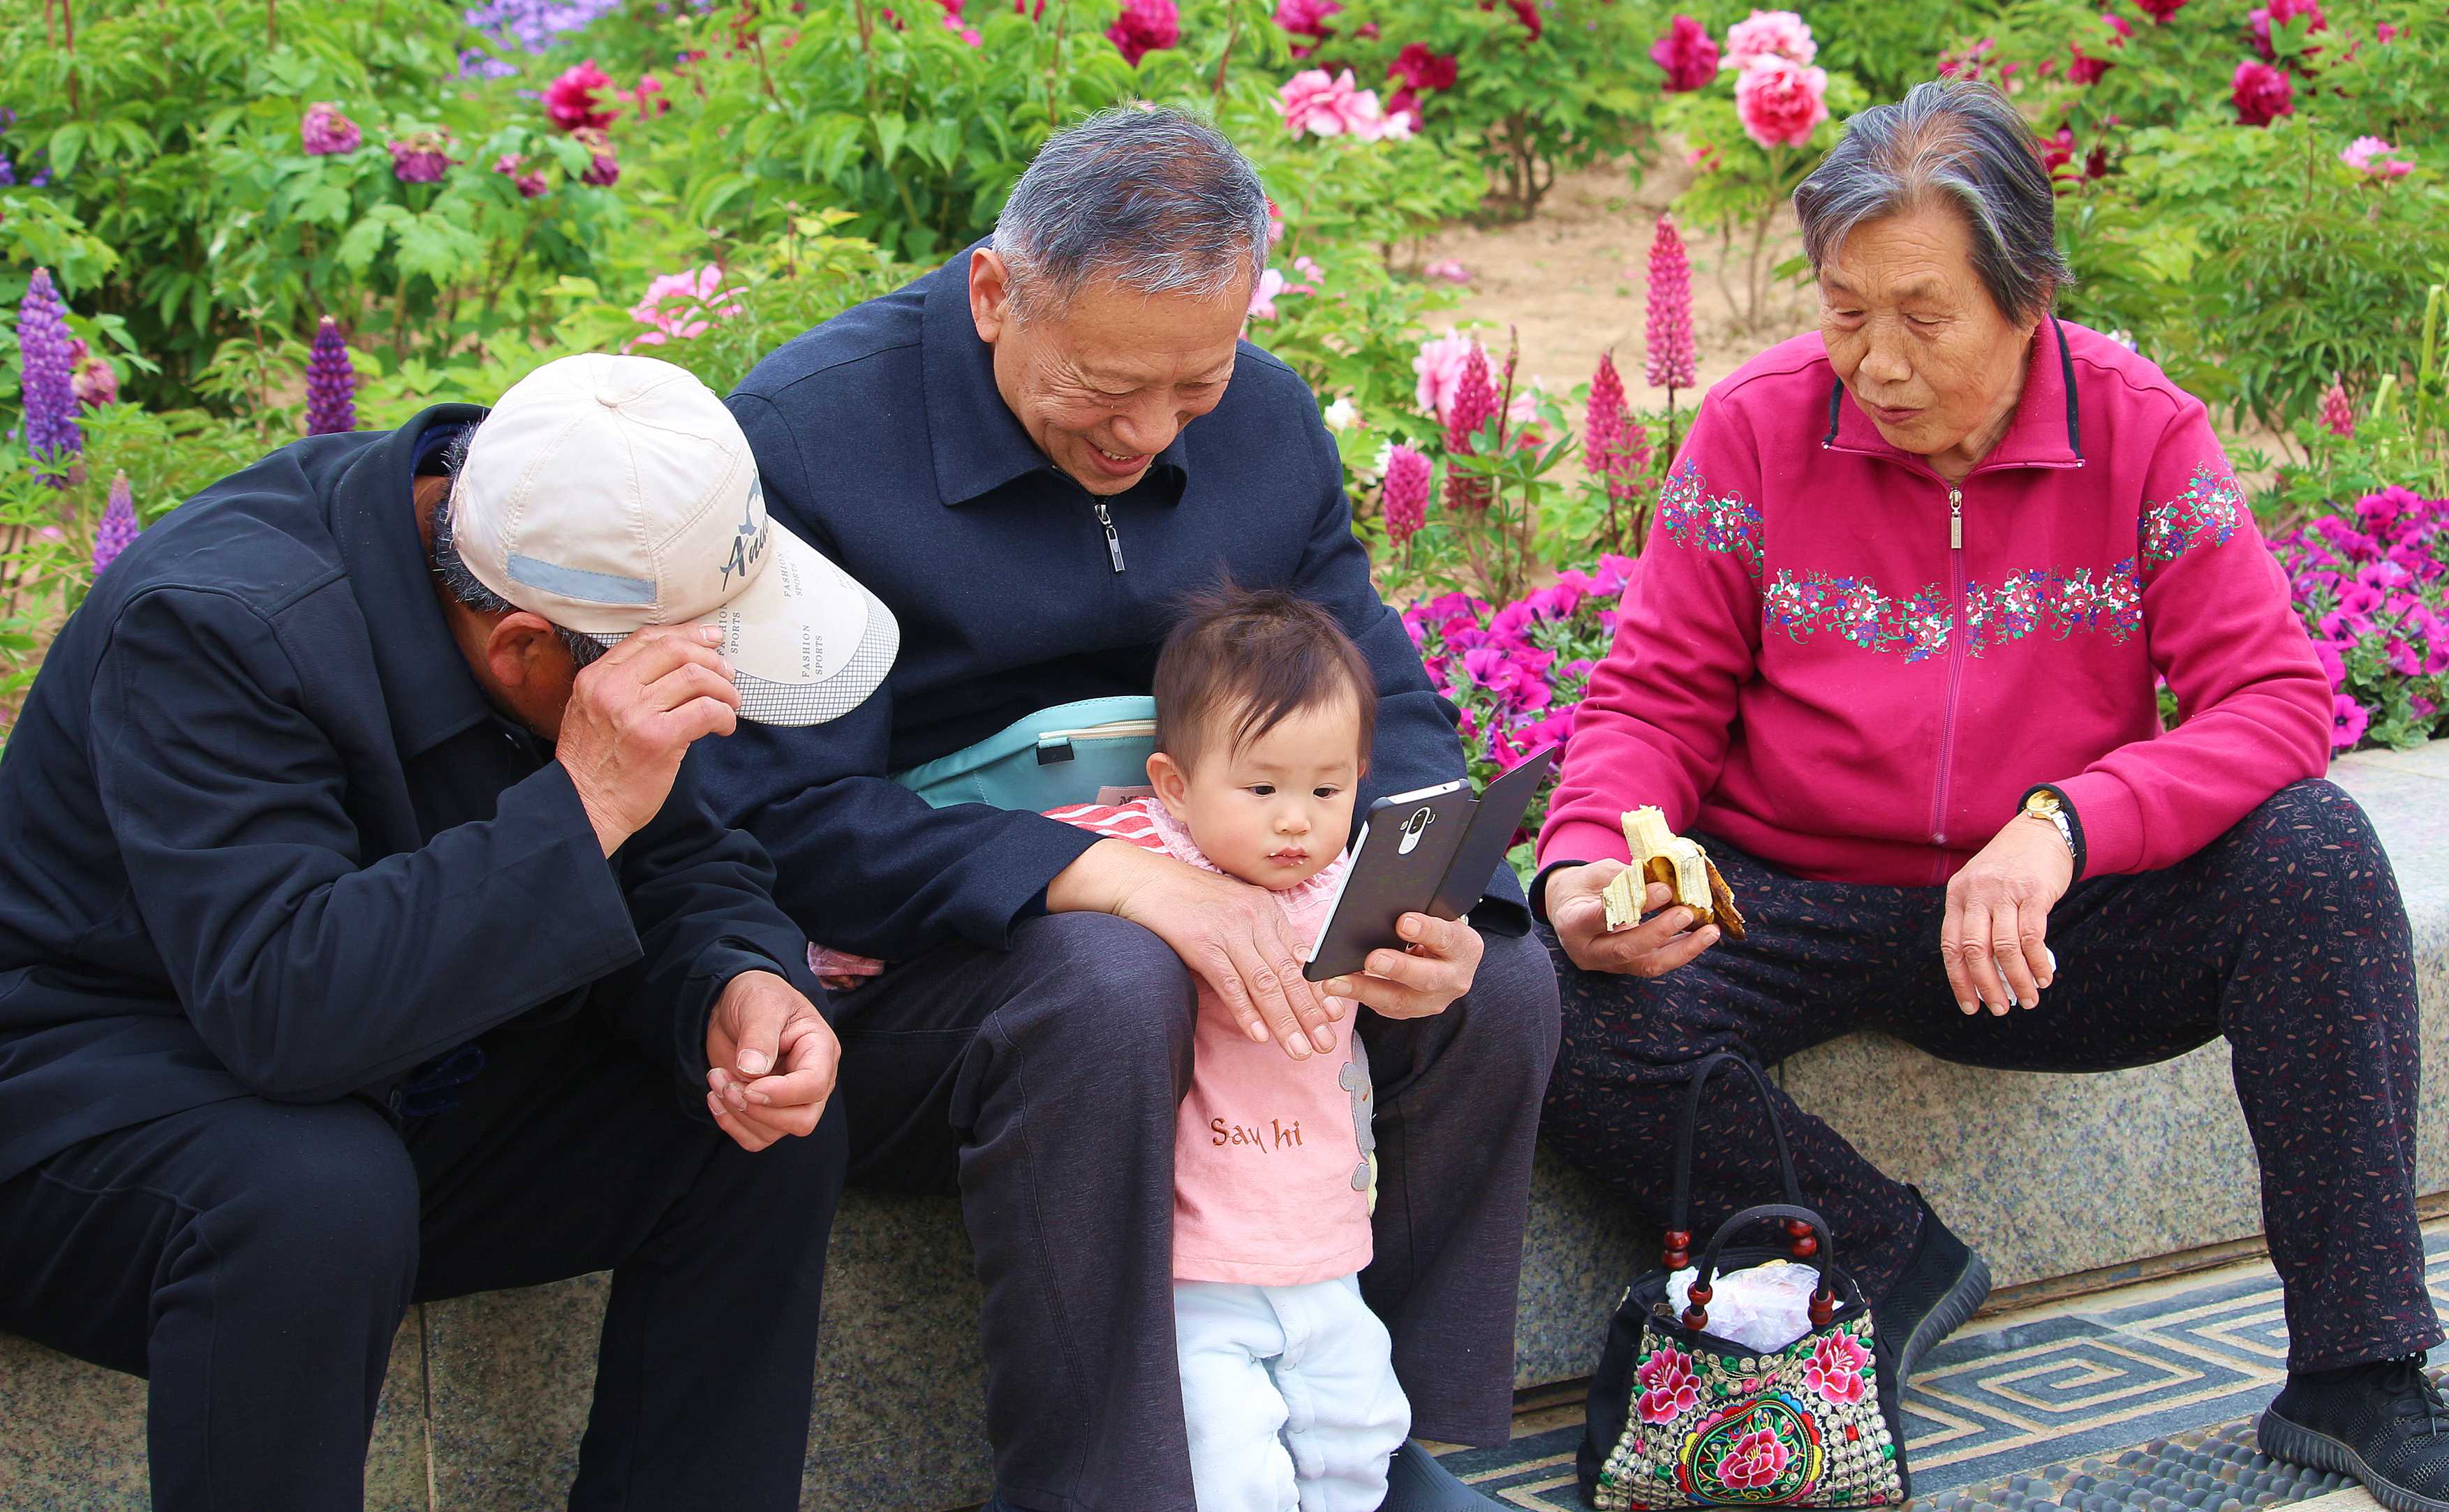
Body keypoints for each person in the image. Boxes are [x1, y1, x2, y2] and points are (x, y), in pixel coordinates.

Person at [1533, 77, 2444, 1507]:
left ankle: (2356, 1369)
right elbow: (1648, 699)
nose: (1874, 363)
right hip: (1792, 900)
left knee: (2315, 858)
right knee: (1534, 987)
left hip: (2052, 924)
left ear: (2024, 298)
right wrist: (1583, 869)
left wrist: (2063, 823)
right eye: (1843, 312)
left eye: (1921, 316)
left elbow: (2276, 703)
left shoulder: (2139, 431)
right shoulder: (1752, 433)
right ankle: (1871, 1252)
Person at [702, 106, 1560, 1512]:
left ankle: (1362, 1446)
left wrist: (1425, 882)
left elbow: (1383, 702)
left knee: (1496, 982)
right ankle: (1106, 1488)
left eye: (1194, 385)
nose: (1148, 434)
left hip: (1235, 898)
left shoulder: (1265, 426)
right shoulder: (808, 445)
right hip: (926, 973)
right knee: (1113, 981)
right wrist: (1102, 879)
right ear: (994, 294)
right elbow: (779, 822)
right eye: (1106, 387)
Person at [0, 353, 897, 1511]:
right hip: (90, 1098)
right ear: (521, 648)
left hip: (397, 1069)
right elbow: (286, 1009)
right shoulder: (214, 627)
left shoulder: (565, 572)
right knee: (315, 1196)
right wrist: (582, 804)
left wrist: (739, 983)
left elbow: (677, 863)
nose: (710, 699)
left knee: (754, 1117)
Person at [813, 586, 1414, 1512]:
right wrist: (835, 962)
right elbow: (980, 887)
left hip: (1323, 1243)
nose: (1296, 820)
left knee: (1359, 1436)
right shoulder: (1135, 844)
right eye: (1261, 789)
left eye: (1327, 790)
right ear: (1175, 784)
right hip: (1191, 1262)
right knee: (1229, 1468)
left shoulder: (1350, 881)